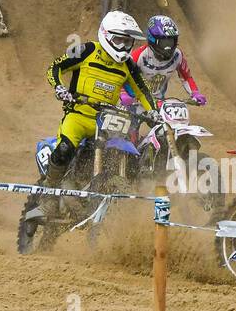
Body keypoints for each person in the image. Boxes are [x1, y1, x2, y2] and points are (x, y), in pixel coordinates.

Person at [43, 12, 155, 209]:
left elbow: (143, 90)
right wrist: (59, 88)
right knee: (64, 149)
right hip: (78, 116)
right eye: (119, 40)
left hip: (105, 120)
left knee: (120, 153)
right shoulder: (86, 50)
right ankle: (48, 192)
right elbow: (55, 67)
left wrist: (153, 111)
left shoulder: (128, 64)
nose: (123, 47)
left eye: (128, 42)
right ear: (106, 35)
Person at [127, 14, 206, 105]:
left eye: (171, 41)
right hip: (137, 102)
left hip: (160, 102)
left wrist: (195, 93)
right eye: (164, 43)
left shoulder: (177, 55)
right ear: (152, 39)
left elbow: (186, 77)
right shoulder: (138, 55)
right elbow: (125, 77)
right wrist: (128, 96)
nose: (168, 48)